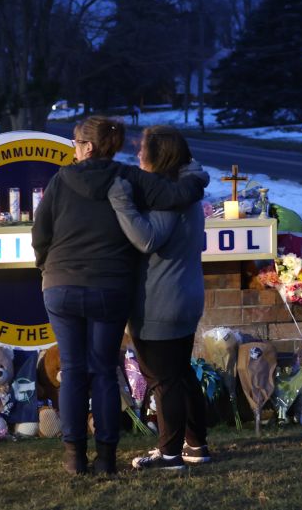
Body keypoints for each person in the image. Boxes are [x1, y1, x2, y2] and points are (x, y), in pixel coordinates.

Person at [30, 116, 206, 476]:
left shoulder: (61, 180)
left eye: (76, 143)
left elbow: (40, 232)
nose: (74, 149)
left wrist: (47, 268)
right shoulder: (129, 178)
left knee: (74, 371)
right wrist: (196, 176)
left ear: (88, 146)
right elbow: (177, 195)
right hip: (110, 288)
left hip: (61, 286)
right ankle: (106, 459)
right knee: (104, 373)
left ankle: (74, 458)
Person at [107, 125, 211, 471]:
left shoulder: (169, 195)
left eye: (142, 150)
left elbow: (147, 239)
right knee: (181, 374)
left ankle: (169, 455)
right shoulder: (186, 189)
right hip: (185, 294)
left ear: (160, 154)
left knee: (163, 380)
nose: (138, 156)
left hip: (162, 301)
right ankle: (196, 445)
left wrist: (121, 201)